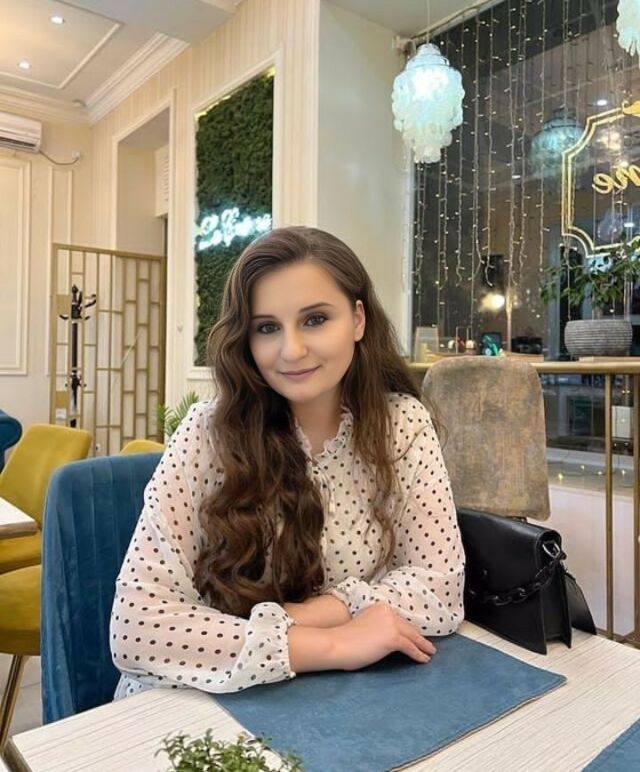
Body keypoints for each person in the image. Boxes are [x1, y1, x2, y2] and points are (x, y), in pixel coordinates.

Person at [110, 226, 464, 698]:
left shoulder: (401, 424)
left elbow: (440, 589)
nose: (291, 350)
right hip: (198, 698)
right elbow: (136, 629)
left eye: (315, 319)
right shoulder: (207, 433)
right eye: (267, 327)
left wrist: (329, 609)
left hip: (335, 697)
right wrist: (336, 643)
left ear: (358, 320)